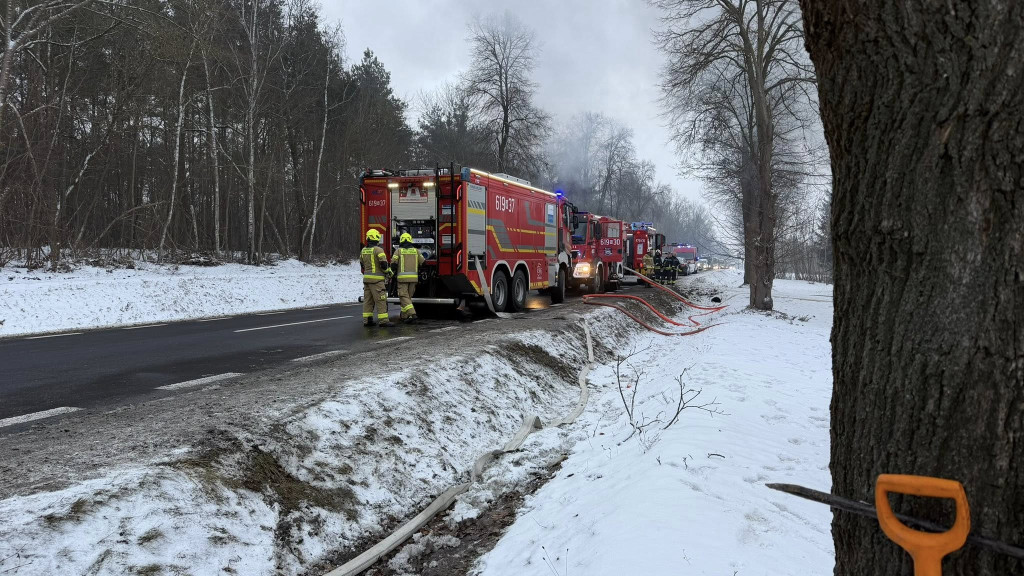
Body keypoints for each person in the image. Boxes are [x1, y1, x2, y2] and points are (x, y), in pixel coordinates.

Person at [360, 229, 392, 327]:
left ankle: (367, 320)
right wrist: (389, 272)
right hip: (377, 281)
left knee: (368, 300)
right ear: (376, 238)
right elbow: (383, 265)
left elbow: (362, 264)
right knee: (381, 300)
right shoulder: (378, 250)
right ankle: (383, 321)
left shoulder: (363, 250)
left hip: (366, 280)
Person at [391, 232, 425, 323]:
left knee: (403, 297)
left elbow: (393, 264)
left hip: (402, 279)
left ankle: (413, 314)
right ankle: (404, 316)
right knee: (408, 298)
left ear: (401, 240)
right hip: (414, 279)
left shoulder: (398, 251)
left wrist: (391, 273)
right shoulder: (416, 251)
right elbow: (423, 262)